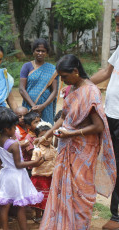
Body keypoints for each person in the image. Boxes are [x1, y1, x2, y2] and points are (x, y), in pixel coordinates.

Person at [38, 54, 116, 229]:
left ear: (75, 71)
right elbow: (64, 117)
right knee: (63, 190)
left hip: (84, 150)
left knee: (81, 193)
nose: (63, 81)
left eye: (65, 77)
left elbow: (98, 126)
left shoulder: (91, 91)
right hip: (68, 146)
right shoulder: (73, 89)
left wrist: (72, 134)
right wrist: (47, 134)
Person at [0, 107, 44, 230]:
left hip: (5, 175)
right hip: (16, 176)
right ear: (6, 129)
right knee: (20, 206)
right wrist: (35, 162)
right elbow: (18, 164)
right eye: (14, 128)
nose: (16, 130)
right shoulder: (13, 144)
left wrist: (4, 172)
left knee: (5, 205)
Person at [90, 11, 119, 229]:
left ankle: (116, 218)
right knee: (113, 164)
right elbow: (107, 72)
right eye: (117, 25)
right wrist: (81, 84)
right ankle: (115, 214)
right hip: (112, 115)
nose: (118, 29)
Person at [19, 38, 59, 124]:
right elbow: (22, 89)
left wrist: (42, 106)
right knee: (29, 131)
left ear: (47, 53)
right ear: (33, 52)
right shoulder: (27, 66)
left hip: (46, 106)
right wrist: (33, 106)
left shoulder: (52, 69)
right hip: (29, 105)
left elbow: (55, 91)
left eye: (43, 51)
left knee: (45, 129)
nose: (40, 53)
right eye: (38, 50)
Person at [29, 122, 57, 224]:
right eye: (43, 136)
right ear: (38, 137)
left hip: (50, 178)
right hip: (39, 178)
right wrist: (44, 158)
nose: (46, 139)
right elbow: (34, 164)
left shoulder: (54, 149)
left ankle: (46, 216)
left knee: (47, 199)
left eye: (49, 136)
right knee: (39, 199)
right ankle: (38, 217)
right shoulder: (37, 150)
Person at [22, 111, 41, 176]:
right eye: (36, 122)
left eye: (39, 121)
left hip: (38, 164)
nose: (39, 124)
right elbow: (30, 152)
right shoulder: (28, 137)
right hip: (30, 166)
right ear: (28, 126)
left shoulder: (40, 134)